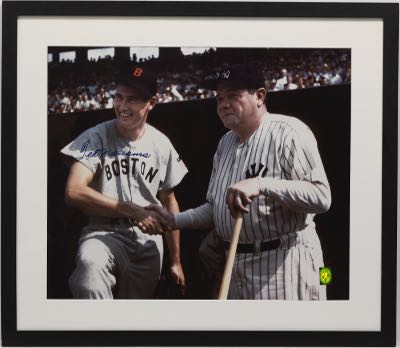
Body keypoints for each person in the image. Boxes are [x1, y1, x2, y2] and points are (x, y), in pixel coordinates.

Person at [146, 64, 331, 300]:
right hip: (237, 266)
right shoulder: (225, 144)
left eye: (233, 95)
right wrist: (172, 220)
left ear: (260, 96)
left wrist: (262, 184)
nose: (223, 104)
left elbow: (321, 197)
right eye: (219, 98)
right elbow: (216, 209)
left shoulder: (288, 132)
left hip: (285, 259)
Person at [60, 65, 188, 299]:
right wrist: (130, 209)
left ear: (151, 102)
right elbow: (74, 191)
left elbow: (169, 201)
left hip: (148, 241)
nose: (122, 106)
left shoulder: (161, 143)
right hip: (103, 232)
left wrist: (176, 261)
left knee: (135, 317)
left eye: (132, 99)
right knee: (89, 270)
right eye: (118, 97)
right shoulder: (96, 136)